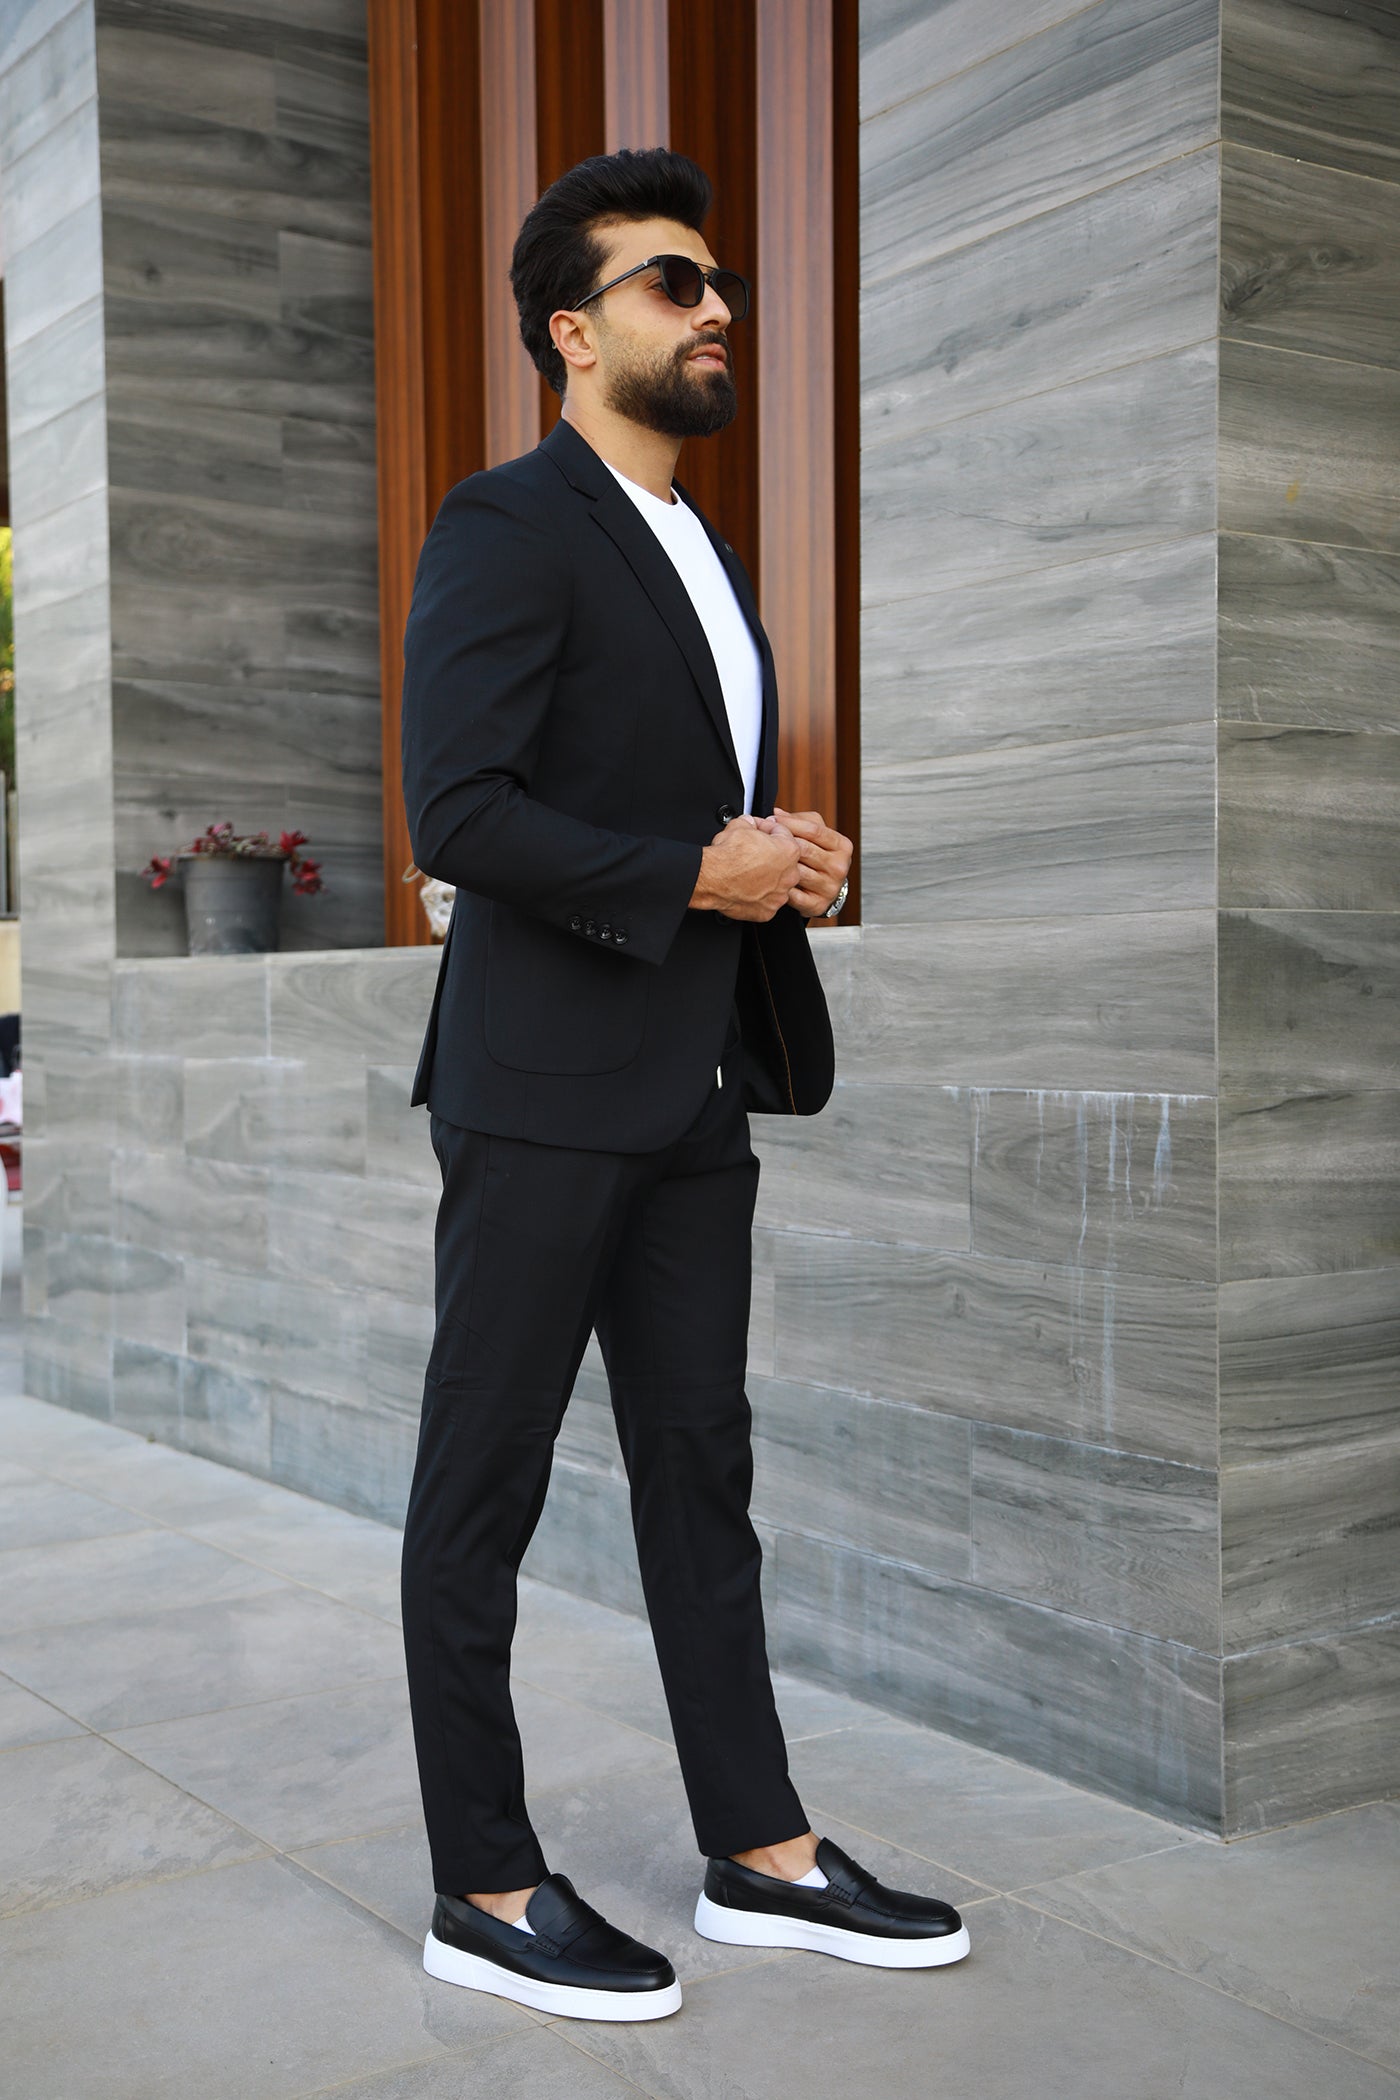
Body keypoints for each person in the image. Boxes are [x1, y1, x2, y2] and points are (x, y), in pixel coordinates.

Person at [398, 147, 970, 2024]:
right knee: (481, 1487)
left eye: (717, 281)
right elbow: (456, 811)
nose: (718, 306)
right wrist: (687, 872)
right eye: (673, 282)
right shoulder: (506, 524)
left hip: (693, 1085)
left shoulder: (707, 556)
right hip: (537, 1088)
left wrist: (775, 855)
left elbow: (659, 806)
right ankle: (484, 1882)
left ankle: (761, 1853)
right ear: (573, 333)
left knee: (702, 1478)